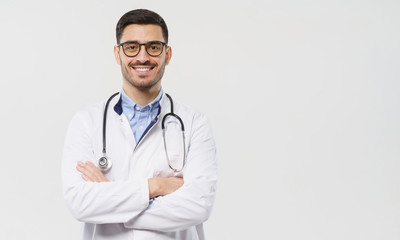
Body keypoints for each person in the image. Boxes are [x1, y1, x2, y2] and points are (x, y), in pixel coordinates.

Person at [61, 9, 217, 240]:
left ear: (167, 54)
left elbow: (198, 206)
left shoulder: (194, 123)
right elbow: (80, 204)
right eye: (132, 47)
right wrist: (157, 186)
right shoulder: (86, 122)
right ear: (117, 54)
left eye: (153, 47)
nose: (142, 57)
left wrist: (109, 197)